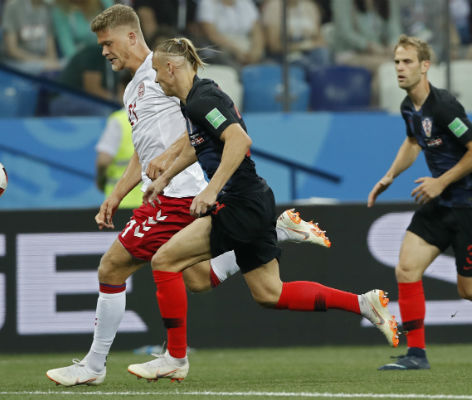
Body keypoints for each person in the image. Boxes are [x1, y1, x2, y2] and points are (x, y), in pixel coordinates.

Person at [45, 4, 331, 387]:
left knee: (112, 267)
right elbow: (142, 150)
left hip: (183, 192)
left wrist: (168, 160)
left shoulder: (163, 70)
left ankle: (96, 366)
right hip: (171, 192)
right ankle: (276, 230)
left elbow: (208, 121)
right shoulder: (134, 87)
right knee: (196, 278)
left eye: (107, 42)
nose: (104, 51)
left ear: (132, 36)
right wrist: (116, 195)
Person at [126, 36, 399, 382]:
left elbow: (239, 140)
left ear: (171, 67)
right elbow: (201, 146)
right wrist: (165, 177)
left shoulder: (202, 99)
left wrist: (210, 190)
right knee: (270, 293)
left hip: (238, 203)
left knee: (164, 261)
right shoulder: (194, 100)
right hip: (252, 200)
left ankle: (175, 358)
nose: (155, 80)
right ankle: (363, 303)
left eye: (156, 72)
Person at [368, 34, 472, 370]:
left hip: (466, 206)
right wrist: (389, 176)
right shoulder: (408, 107)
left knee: (468, 291)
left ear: (425, 66)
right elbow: (414, 142)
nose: (399, 68)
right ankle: (416, 354)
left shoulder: (444, 106)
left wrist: (441, 182)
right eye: (397, 61)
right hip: (440, 206)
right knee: (407, 269)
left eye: (407, 61)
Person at [95, 71, 143, 208]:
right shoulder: (156, 117)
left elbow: (103, 160)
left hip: (121, 201)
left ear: (123, 90)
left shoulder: (119, 120)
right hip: (152, 201)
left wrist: (100, 180)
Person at [0, 0, 60, 74]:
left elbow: (51, 48)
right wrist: (41, 62)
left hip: (42, 60)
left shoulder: (49, 8)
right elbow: (12, 50)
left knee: (65, 65)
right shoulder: (13, 6)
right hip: (16, 62)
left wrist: (51, 60)